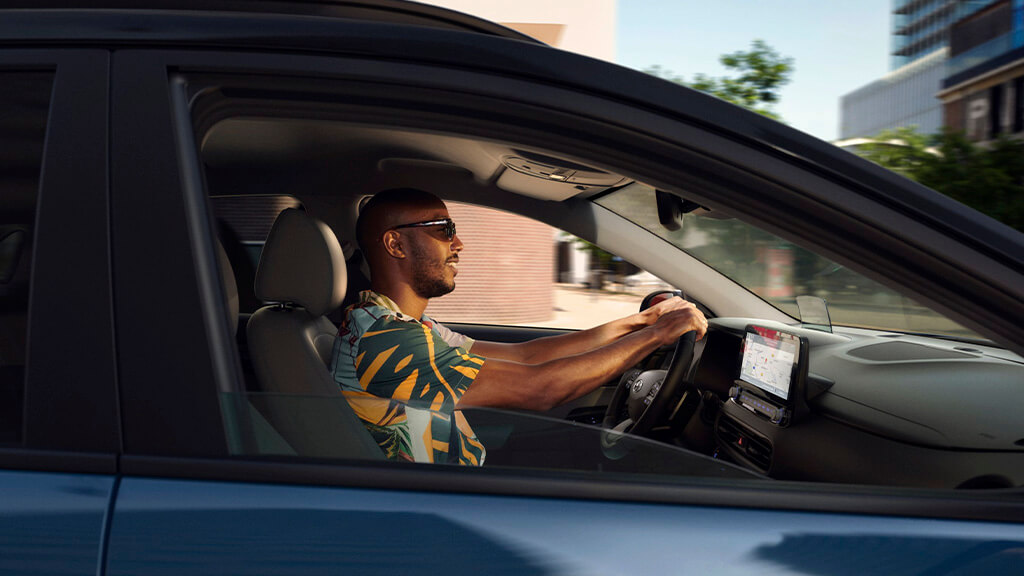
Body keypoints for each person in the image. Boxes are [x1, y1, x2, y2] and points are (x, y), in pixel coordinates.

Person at [330, 188, 707, 465]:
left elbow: (525, 354)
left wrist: (639, 322)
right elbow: (539, 389)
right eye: (443, 229)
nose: (459, 243)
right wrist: (657, 335)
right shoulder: (386, 340)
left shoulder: (398, 322)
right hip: (442, 510)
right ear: (395, 244)